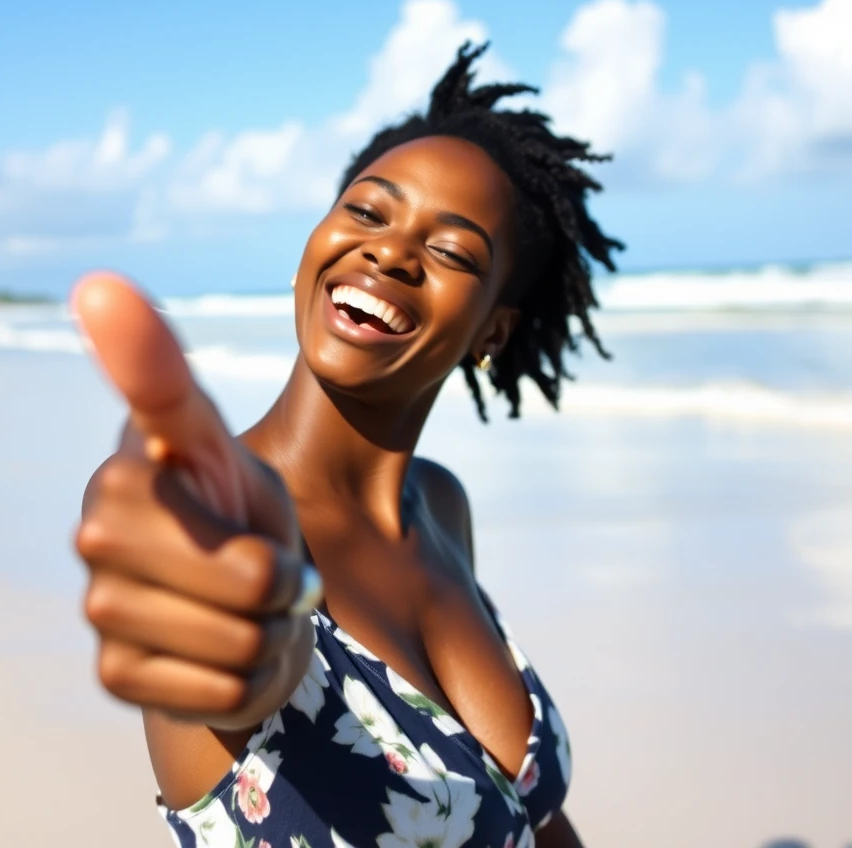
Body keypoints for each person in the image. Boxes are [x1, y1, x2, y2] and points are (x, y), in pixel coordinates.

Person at [74, 42, 623, 848]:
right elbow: (245, 652)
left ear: (492, 332)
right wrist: (203, 615)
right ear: (315, 246)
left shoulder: (440, 505)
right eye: (367, 212)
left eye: (452, 251)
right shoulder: (223, 514)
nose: (393, 251)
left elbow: (538, 824)